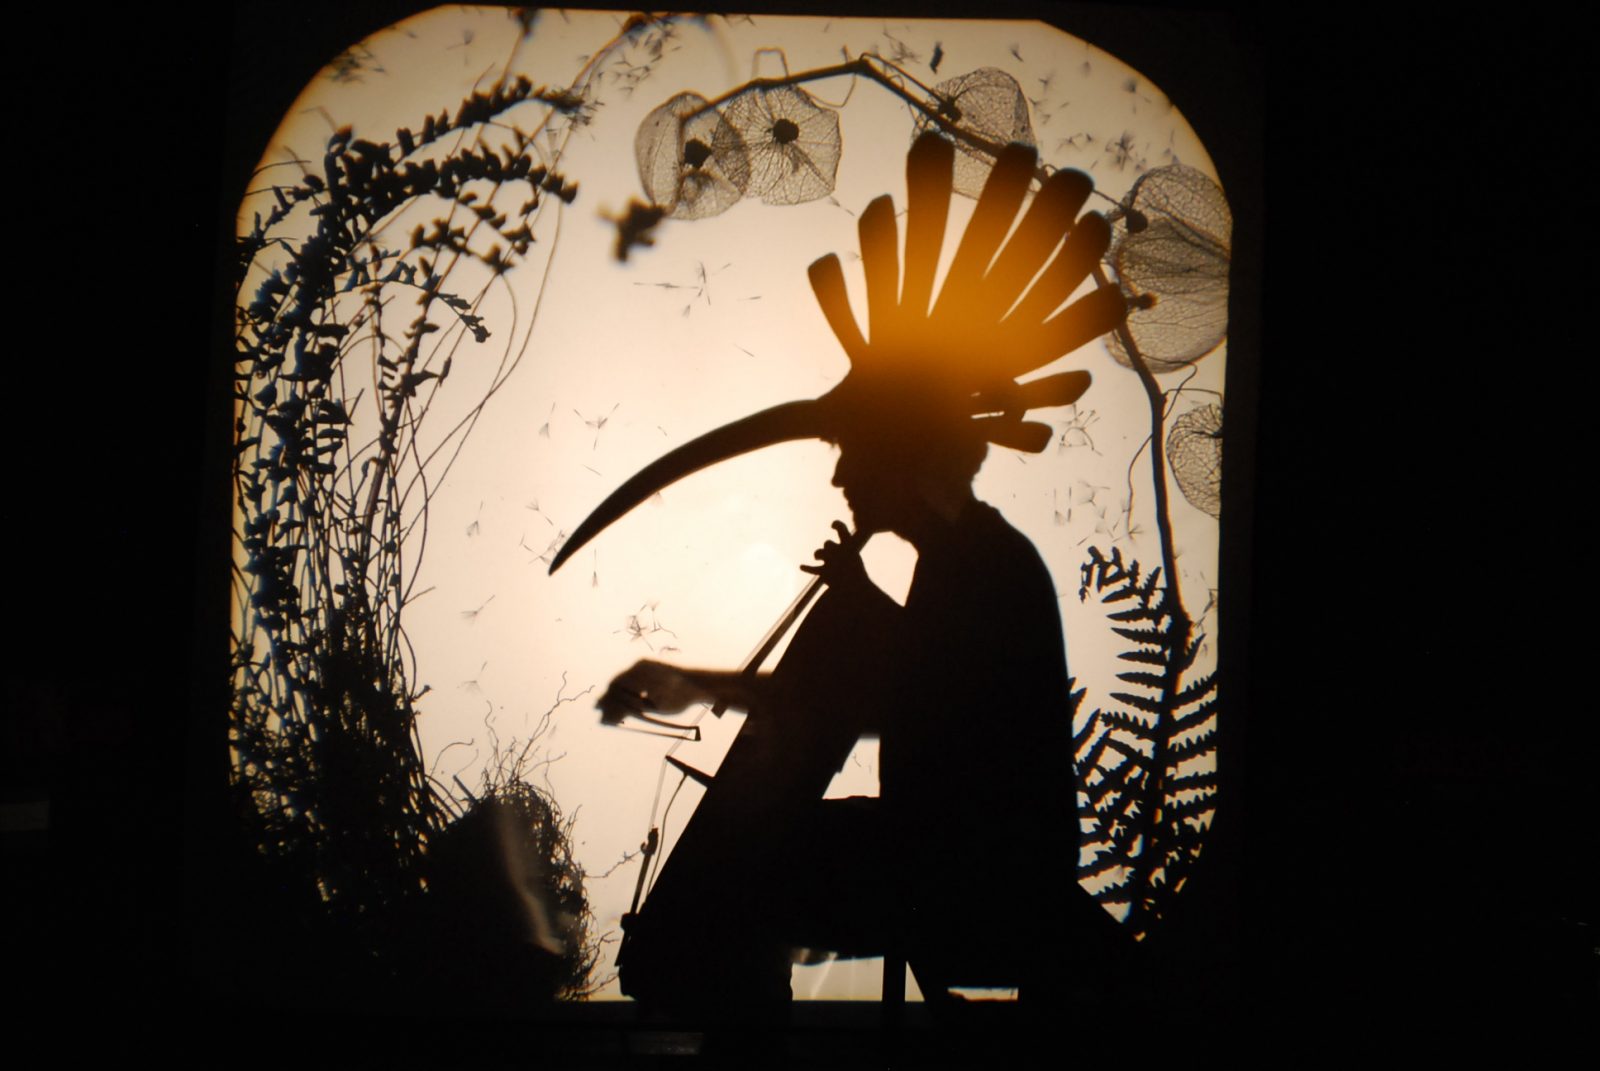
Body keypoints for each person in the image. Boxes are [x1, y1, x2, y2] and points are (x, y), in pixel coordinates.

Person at [548, 131, 1127, 1014]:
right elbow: (902, 692)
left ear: (906, 455)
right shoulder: (961, 564)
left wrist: (701, 681)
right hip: (953, 868)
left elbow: (888, 704)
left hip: (978, 885)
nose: (840, 475)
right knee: (749, 871)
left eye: (855, 451)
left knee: (739, 880)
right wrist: (848, 623)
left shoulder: (985, 570)